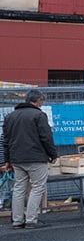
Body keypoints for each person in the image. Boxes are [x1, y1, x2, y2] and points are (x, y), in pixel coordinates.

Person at [2, 88, 59, 230]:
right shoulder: (39, 115)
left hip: (16, 159)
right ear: (38, 101)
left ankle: (17, 221)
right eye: (41, 101)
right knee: (37, 187)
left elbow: (5, 140)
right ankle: (31, 220)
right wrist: (53, 155)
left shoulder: (10, 116)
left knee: (19, 188)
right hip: (36, 158)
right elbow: (46, 137)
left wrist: (7, 160)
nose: (41, 103)